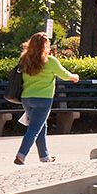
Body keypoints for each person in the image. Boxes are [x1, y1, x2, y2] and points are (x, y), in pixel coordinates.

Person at [13, 32, 79, 165]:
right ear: (46, 46)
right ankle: (21, 155)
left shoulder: (25, 60)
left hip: (26, 99)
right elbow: (65, 75)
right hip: (43, 100)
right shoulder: (50, 61)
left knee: (40, 126)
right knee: (34, 128)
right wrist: (75, 77)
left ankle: (44, 156)